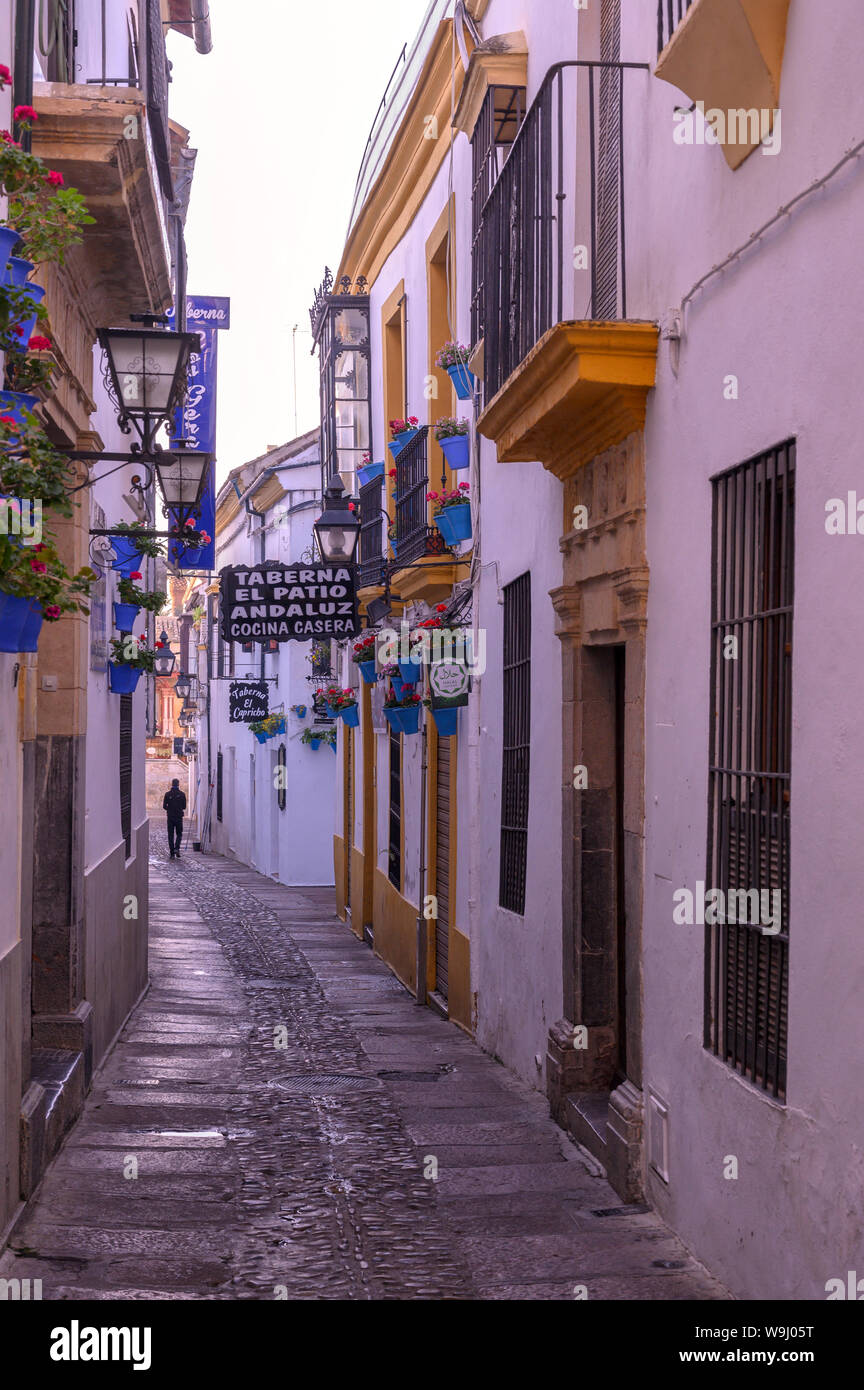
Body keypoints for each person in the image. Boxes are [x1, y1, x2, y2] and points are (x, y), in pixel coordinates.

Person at [163, 778, 187, 859]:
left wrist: (169, 809)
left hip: (170, 817)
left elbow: (164, 806)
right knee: (179, 833)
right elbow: (184, 806)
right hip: (179, 817)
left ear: (172, 784)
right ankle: (177, 848)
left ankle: (172, 853)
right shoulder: (182, 794)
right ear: (178, 784)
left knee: (170, 835)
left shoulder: (167, 794)